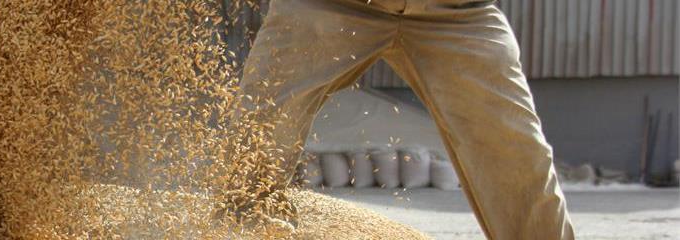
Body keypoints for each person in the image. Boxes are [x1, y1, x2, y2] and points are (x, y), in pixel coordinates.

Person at [231, 0, 575, 239]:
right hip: (329, 6)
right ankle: (237, 228)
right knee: (262, 119)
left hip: (456, 15)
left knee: (517, 149)